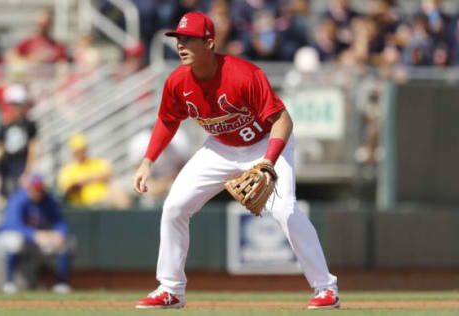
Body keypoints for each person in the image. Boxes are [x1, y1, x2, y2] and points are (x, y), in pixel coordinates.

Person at [133, 12, 339, 310]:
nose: (181, 45)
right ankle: (171, 289)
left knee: (285, 209)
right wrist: (147, 161)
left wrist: (268, 162)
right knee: (175, 206)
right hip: (221, 148)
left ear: (209, 42)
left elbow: (283, 120)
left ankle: (326, 288)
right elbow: (167, 121)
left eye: (188, 39)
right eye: (178, 39)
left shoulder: (243, 74)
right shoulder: (178, 81)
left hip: (265, 143)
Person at [0, 174, 72, 294]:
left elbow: (60, 221)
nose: (37, 192)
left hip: (36, 238)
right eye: (34, 188)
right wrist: (34, 234)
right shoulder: (18, 199)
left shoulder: (48, 201)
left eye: (39, 189)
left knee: (63, 244)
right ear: (29, 188)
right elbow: (14, 224)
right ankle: (8, 283)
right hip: (7, 237)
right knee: (15, 241)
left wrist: (60, 233)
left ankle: (61, 284)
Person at [0, 84, 39, 199]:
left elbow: (33, 148)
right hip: (7, 170)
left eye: (18, 105)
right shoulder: (4, 125)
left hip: (21, 168)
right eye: (13, 105)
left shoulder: (29, 125)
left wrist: (28, 171)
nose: (15, 108)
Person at [57, 133, 131, 209]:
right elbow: (67, 189)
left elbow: (109, 174)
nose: (82, 153)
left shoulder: (96, 162)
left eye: (83, 149)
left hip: (104, 200)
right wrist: (87, 181)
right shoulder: (67, 170)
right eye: (78, 150)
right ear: (73, 152)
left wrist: (86, 180)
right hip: (83, 205)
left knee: (116, 186)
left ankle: (128, 216)